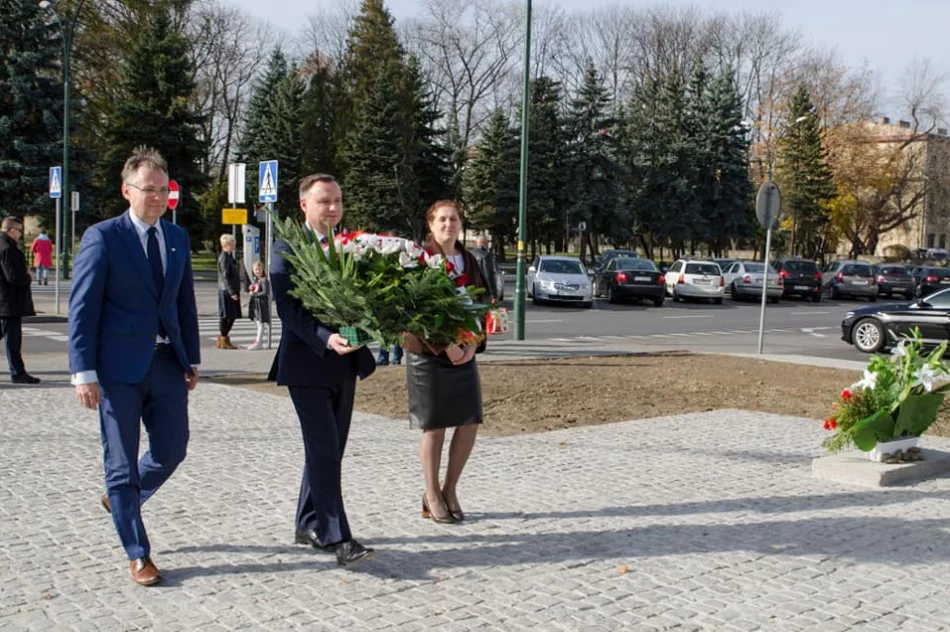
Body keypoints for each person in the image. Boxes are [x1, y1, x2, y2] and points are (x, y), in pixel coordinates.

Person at [68, 146, 200, 586]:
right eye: (149, 190)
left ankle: (119, 499)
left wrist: (191, 359)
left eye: (165, 190)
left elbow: (183, 305)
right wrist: (83, 372)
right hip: (116, 370)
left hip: (166, 364)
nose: (159, 198)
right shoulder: (103, 237)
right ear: (127, 191)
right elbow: (82, 308)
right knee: (121, 463)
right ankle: (138, 553)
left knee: (172, 449)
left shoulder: (177, 239)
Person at [269, 173, 377, 567]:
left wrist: (365, 328)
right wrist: (325, 336)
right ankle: (337, 538)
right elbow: (288, 309)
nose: (332, 208)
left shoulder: (349, 247)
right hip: (306, 363)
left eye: (337, 201)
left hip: (344, 364)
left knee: (329, 450)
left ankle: (306, 522)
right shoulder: (287, 248)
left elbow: (361, 300)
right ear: (304, 205)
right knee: (325, 450)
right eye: (324, 201)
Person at [401, 201, 490, 524]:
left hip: (464, 351)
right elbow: (413, 310)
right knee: (434, 426)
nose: (448, 224)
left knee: (469, 420)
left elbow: (484, 302)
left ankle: (450, 487)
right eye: (442, 219)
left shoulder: (469, 259)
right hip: (429, 354)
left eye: (453, 219)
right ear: (431, 224)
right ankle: (431, 493)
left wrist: (472, 342)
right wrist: (445, 346)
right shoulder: (420, 259)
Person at [0, 217, 40, 384]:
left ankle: (18, 371)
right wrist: (27, 276)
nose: (21, 235)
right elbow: (13, 277)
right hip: (9, 302)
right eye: (19, 231)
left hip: (4, 301)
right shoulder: (8, 248)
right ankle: (17, 372)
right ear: (12, 231)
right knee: (13, 340)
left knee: (10, 337)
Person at [216, 234, 241, 349]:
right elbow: (225, 276)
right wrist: (232, 292)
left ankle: (224, 339)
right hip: (227, 291)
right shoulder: (224, 257)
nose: (234, 246)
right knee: (227, 315)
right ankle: (223, 339)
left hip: (230, 290)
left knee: (231, 315)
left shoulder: (229, 256)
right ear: (225, 245)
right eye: (232, 244)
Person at [246, 260, 271, 350]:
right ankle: (258, 342)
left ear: (262, 269)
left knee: (261, 323)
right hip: (256, 304)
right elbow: (254, 289)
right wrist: (251, 289)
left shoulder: (264, 280)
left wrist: (255, 294)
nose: (258, 271)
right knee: (258, 323)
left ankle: (258, 342)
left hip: (261, 304)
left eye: (259, 269)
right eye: (256, 269)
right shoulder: (256, 280)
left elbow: (265, 292)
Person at [470, 234, 499, 303]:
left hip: (470, 290)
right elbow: (488, 275)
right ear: (486, 244)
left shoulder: (469, 255)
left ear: (476, 243)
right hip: (483, 291)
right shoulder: (486, 255)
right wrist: (494, 295)